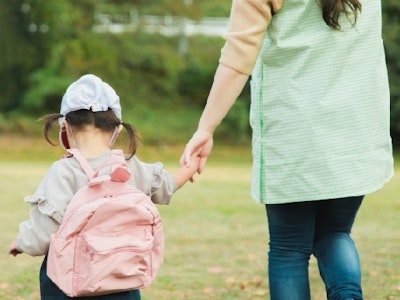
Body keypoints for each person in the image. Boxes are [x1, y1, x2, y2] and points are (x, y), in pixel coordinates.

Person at [180, 0, 394, 299]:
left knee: (289, 247)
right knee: (335, 233)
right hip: (354, 131)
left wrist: (206, 128)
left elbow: (237, 58)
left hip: (294, 134)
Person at [9, 74, 200, 300]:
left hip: (70, 284)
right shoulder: (131, 166)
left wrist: (21, 243)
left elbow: (42, 235)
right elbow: (167, 185)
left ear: (66, 127)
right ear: (117, 131)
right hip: (121, 280)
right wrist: (193, 164)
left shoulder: (63, 172)